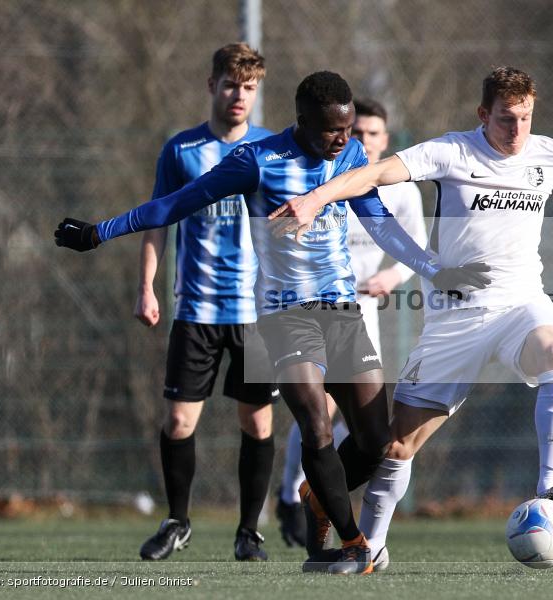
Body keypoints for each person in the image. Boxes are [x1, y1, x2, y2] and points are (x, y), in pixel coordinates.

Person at [267, 66, 553, 563]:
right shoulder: (451, 152)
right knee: (395, 447)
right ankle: (371, 546)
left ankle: (548, 491)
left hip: (520, 304)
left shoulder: (549, 152)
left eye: (525, 117)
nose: (517, 129)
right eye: (505, 119)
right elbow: (371, 174)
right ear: (483, 114)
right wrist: (314, 198)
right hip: (455, 318)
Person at [54, 71, 490, 575]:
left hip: (342, 312)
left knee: (375, 441)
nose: (343, 139)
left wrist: (437, 271)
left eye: (349, 129)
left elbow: (381, 227)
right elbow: (175, 203)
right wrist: (98, 232)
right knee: (317, 425)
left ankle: (317, 498)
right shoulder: (257, 161)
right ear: (302, 121)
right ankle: (350, 543)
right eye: (332, 130)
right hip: (285, 315)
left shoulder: (348, 159)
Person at [128, 43, 276, 562]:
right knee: (178, 423)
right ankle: (177, 521)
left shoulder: (272, 150)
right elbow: (156, 219)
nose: (239, 96)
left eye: (250, 87)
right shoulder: (181, 150)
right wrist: (146, 287)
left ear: (257, 93)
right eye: (231, 84)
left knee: (257, 423)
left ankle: (249, 532)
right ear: (212, 85)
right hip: (195, 310)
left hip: (256, 315)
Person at [275, 98, 426, 557]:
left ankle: (316, 496)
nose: (362, 138)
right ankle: (291, 495)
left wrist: (394, 276)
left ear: (386, 140)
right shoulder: (321, 175)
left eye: (373, 133)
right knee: (316, 415)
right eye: (356, 130)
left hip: (363, 318)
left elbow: (414, 244)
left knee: (371, 431)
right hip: (309, 313)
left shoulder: (399, 191)